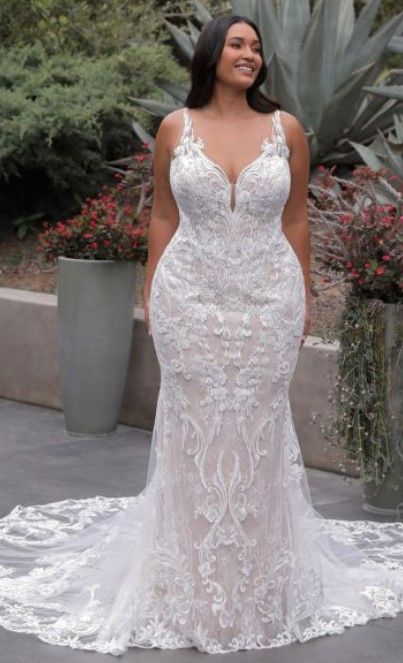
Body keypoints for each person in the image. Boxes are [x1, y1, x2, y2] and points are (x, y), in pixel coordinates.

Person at [0, 13, 402, 657]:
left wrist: (299, 297)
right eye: (238, 44)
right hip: (190, 297)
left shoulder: (286, 130)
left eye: (256, 48)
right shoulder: (174, 129)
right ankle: (189, 581)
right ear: (212, 54)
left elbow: (296, 218)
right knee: (196, 425)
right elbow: (162, 212)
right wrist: (154, 291)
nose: (251, 55)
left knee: (256, 423)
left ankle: (256, 583)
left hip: (268, 299)